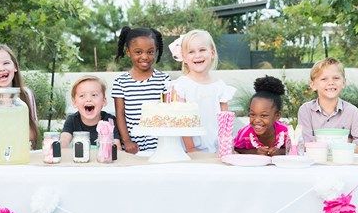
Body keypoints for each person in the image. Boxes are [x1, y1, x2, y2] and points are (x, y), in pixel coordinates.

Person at [170, 30, 235, 153]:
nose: (197, 55)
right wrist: (191, 148)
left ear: (212, 53)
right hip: (190, 151)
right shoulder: (181, 86)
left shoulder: (220, 87)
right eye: (191, 52)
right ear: (184, 57)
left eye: (202, 50)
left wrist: (226, 147)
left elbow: (225, 122)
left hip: (217, 150)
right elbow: (182, 121)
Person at [111, 26, 170, 154]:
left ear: (156, 51)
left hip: (159, 145)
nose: (144, 57)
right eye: (138, 52)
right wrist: (127, 141)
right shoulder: (121, 82)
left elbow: (168, 111)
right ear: (128, 52)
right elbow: (120, 115)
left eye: (150, 52)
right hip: (133, 147)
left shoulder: (164, 79)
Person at [297, 57, 358, 153]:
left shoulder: (352, 112)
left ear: (344, 82)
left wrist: (319, 143)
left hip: (344, 162)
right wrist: (346, 143)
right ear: (313, 85)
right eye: (324, 79)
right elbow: (305, 145)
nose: (331, 83)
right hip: (316, 162)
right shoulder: (305, 110)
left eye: (336, 78)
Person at [0, 43, 39, 146]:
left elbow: (32, 134)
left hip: (21, 151)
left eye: (6, 63)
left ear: (15, 67)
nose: (1, 68)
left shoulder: (26, 94)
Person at [234, 76, 290, 156]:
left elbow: (295, 148)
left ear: (277, 116)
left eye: (263, 115)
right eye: (252, 114)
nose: (256, 120)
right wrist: (255, 152)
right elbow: (236, 148)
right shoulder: (245, 134)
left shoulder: (285, 132)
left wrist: (280, 152)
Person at [60, 76, 121, 147]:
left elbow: (116, 146)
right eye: (82, 96)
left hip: (104, 154)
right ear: (74, 102)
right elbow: (64, 140)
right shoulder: (72, 120)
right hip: (80, 154)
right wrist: (60, 145)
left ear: (104, 101)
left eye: (94, 95)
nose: (88, 99)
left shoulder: (110, 120)